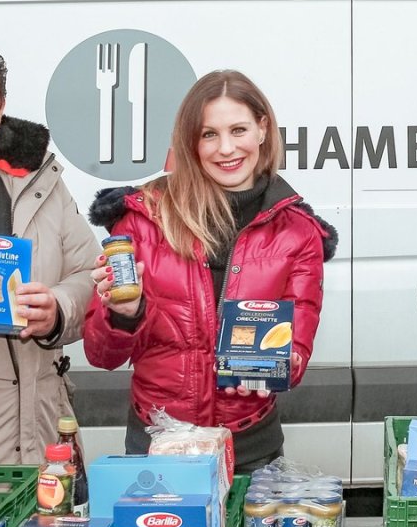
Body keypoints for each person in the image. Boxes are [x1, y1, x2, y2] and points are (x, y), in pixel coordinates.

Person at [83, 70, 337, 473]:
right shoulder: (144, 219)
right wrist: (123, 314)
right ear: (191, 142)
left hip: (252, 447)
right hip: (158, 441)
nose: (226, 148)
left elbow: (297, 350)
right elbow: (101, 355)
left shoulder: (298, 232)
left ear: (263, 130)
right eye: (209, 135)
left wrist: (279, 365)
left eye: (238, 129)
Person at [0, 38, 100, 464]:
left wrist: (56, 309)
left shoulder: (41, 182)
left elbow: (89, 274)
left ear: (0, 109)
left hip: (46, 441)